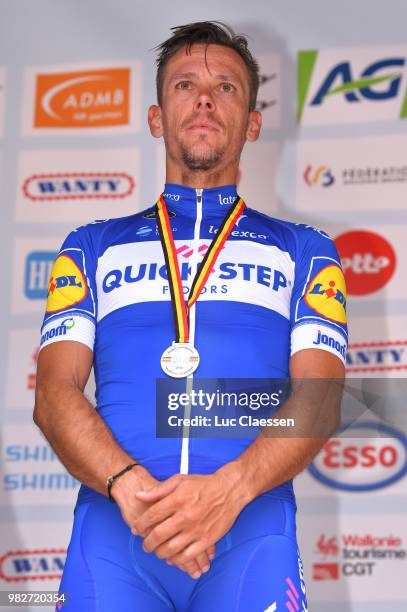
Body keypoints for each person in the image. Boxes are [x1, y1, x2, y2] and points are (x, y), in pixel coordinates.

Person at [34, 21, 347, 612]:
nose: (204, 99)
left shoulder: (305, 249)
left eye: (226, 87)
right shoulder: (92, 246)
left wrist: (228, 492)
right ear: (157, 117)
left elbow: (321, 396)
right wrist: (130, 489)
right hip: (117, 531)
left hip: (249, 528)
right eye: (185, 85)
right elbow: (54, 393)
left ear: (252, 123)